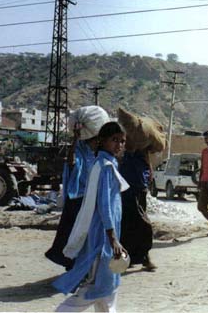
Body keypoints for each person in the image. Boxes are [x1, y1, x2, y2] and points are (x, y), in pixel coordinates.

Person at [52, 122, 129, 312]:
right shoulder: (105, 167)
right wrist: (112, 238)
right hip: (102, 237)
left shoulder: (107, 164)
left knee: (108, 288)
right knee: (96, 288)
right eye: (114, 140)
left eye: (122, 141)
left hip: (105, 235)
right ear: (102, 141)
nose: (119, 144)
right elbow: (104, 205)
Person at [45, 125, 98, 270]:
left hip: (87, 199)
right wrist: (75, 138)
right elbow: (71, 161)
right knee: (72, 232)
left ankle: (78, 265)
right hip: (76, 199)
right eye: (93, 142)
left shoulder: (93, 156)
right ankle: (70, 263)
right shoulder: (79, 153)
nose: (95, 144)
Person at [119, 149, 156, 271]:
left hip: (140, 186)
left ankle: (144, 257)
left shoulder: (141, 147)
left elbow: (147, 157)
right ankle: (129, 258)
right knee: (129, 223)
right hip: (127, 188)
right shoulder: (124, 148)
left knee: (141, 222)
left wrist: (150, 171)